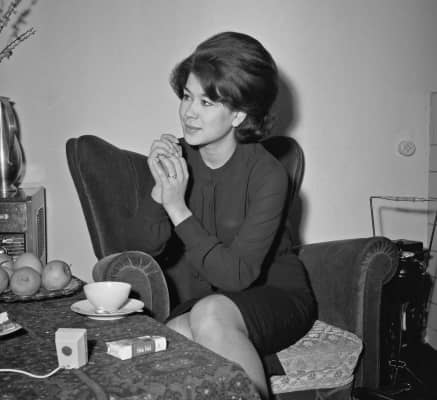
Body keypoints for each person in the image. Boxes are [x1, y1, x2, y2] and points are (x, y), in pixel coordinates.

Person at [144, 31, 316, 399]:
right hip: (210, 300)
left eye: (207, 102)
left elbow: (236, 276)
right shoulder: (179, 158)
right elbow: (145, 249)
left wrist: (177, 207)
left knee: (210, 314)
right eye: (187, 96)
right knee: (168, 341)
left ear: (239, 114)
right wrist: (160, 192)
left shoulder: (268, 175)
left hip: (276, 296)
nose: (189, 112)